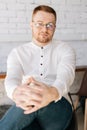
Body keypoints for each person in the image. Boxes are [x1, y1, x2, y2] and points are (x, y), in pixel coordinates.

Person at [0, 5, 76, 130]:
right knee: (30, 100)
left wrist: (51, 93)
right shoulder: (17, 52)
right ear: (31, 25)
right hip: (28, 104)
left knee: (32, 97)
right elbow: (12, 78)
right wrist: (15, 92)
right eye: (39, 24)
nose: (44, 29)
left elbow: (65, 77)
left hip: (58, 105)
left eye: (49, 25)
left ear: (55, 28)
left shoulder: (65, 49)